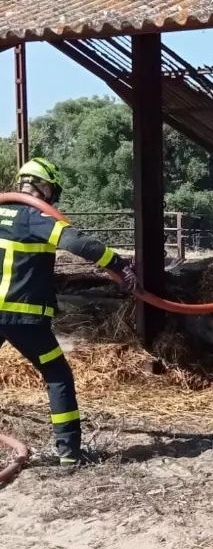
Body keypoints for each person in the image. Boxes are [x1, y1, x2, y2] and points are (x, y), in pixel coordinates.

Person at [0, 158, 136, 469]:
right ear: (44, 187)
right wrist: (119, 265)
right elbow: (77, 242)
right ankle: (69, 453)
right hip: (24, 319)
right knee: (58, 376)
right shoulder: (33, 218)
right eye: (52, 190)